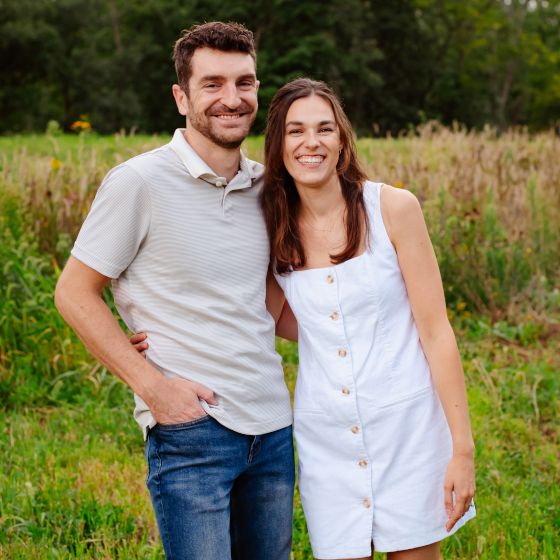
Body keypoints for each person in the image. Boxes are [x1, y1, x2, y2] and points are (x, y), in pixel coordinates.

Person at [54, 22, 295, 560]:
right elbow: (74, 293)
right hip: (193, 431)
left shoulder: (270, 187)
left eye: (244, 83)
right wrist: (154, 388)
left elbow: (268, 305)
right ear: (181, 97)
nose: (232, 99)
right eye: (212, 84)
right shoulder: (138, 182)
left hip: (273, 428)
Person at [261, 79, 476, 559]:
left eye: (324, 129)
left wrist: (462, 449)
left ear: (342, 140)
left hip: (408, 429)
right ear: (278, 145)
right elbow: (269, 319)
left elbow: (436, 332)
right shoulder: (272, 228)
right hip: (327, 438)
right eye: (296, 131)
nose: (311, 142)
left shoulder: (392, 209)